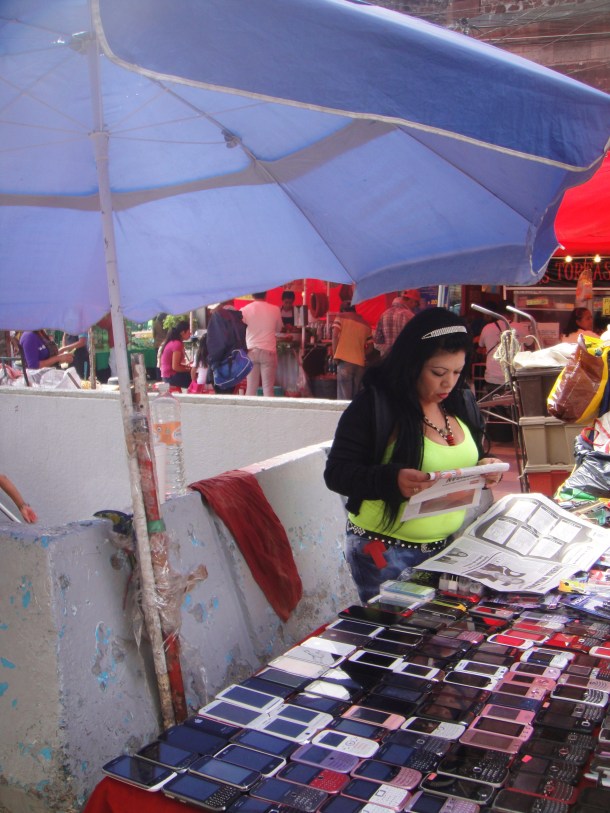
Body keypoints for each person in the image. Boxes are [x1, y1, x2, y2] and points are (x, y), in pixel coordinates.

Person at [324, 307, 502, 603]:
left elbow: (465, 460)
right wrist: (390, 479)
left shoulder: (460, 402)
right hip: (383, 553)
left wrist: (484, 468)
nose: (449, 383)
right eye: (438, 373)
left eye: (457, 372)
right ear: (412, 364)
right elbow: (337, 473)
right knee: (396, 638)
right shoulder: (376, 404)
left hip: (443, 550)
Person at [477, 302, 531, 387]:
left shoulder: (487, 328)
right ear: (513, 313)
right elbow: (531, 343)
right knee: (515, 400)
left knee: (493, 400)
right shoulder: (520, 327)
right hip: (514, 375)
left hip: (492, 376)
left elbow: (480, 346)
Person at [241, 292, 283, 396]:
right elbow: (278, 329)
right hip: (268, 351)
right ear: (266, 295)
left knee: (250, 389)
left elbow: (241, 330)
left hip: (251, 351)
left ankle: (249, 412)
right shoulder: (275, 309)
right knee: (268, 390)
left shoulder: (244, 310)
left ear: (252, 295)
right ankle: (269, 412)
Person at [332, 302, 372, 400]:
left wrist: (335, 354)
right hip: (360, 364)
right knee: (356, 397)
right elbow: (370, 347)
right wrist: (361, 354)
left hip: (344, 361)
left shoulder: (340, 317)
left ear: (342, 310)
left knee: (344, 398)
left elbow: (335, 335)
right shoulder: (366, 324)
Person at [206, 300, 247, 393]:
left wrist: (212, 363)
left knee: (222, 399)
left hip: (222, 366)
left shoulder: (218, 317)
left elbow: (217, 345)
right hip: (236, 365)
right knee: (231, 395)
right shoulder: (238, 317)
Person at [373, 289, 421, 357]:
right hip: (404, 359)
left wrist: (389, 350)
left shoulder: (384, 314)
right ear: (411, 301)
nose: (415, 306)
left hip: (387, 360)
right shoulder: (410, 316)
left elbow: (377, 341)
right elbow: (416, 340)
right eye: (416, 303)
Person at [159, 319, 192, 389]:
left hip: (166, 376)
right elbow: (175, 367)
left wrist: (187, 367)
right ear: (183, 332)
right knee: (195, 377)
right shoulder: (177, 344)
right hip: (171, 378)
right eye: (189, 332)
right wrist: (189, 369)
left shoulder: (172, 342)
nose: (190, 334)